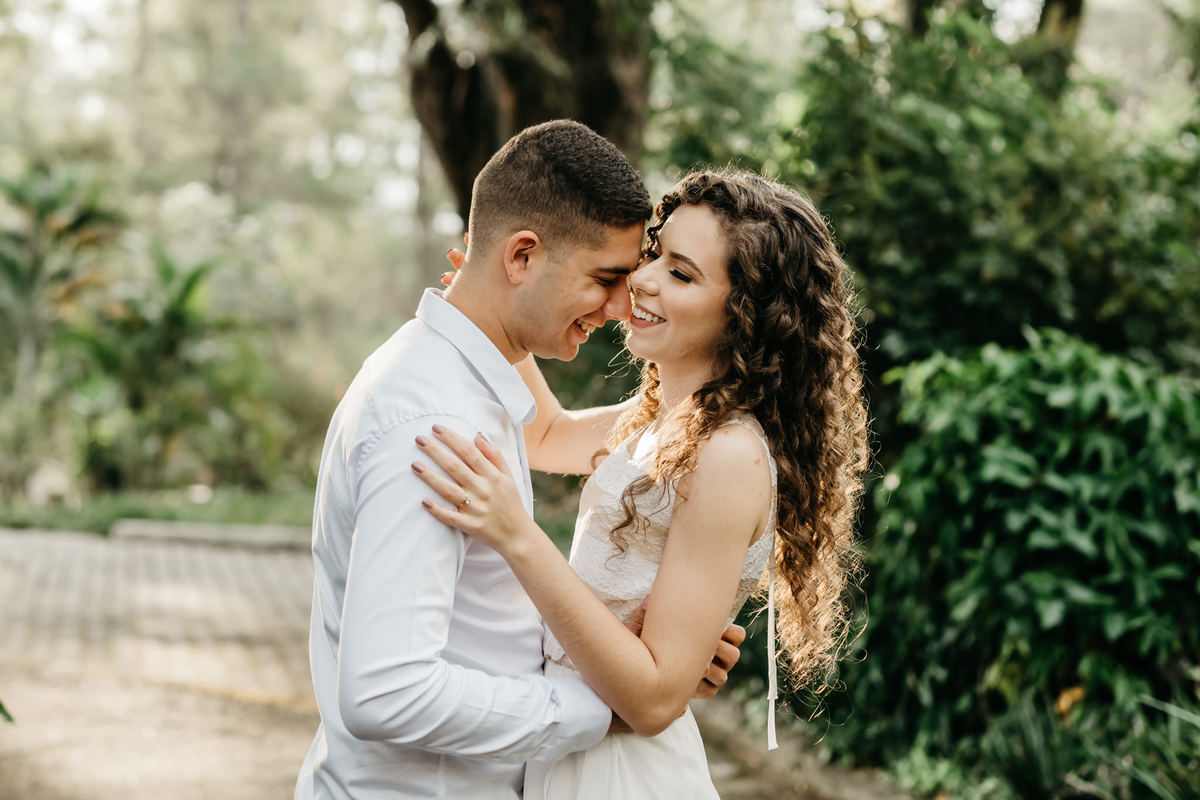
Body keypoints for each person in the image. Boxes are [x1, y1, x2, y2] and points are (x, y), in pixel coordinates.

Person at [293, 121, 744, 800]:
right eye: (607, 278)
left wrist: (646, 656)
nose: (626, 305)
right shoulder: (435, 420)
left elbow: (477, 620)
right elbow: (385, 691)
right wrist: (605, 709)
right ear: (522, 256)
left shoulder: (465, 384)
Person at [412, 168, 869, 798]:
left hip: (625, 774)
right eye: (655, 255)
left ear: (746, 315)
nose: (644, 279)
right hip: (573, 752)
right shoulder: (661, 421)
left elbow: (654, 699)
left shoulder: (729, 453)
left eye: (681, 273)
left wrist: (518, 535)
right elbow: (544, 434)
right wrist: (491, 304)